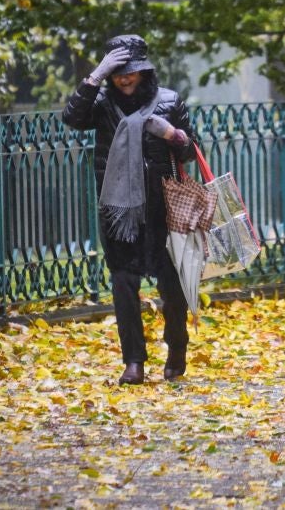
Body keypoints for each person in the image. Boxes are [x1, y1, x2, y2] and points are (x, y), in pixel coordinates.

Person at [62, 34, 196, 385]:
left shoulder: (169, 101)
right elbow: (72, 118)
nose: (123, 78)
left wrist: (173, 136)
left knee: (172, 286)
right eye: (117, 71)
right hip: (118, 210)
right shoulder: (102, 103)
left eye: (130, 71)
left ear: (144, 71)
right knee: (123, 283)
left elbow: (189, 153)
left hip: (164, 208)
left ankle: (176, 351)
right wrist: (94, 77)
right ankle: (133, 361)